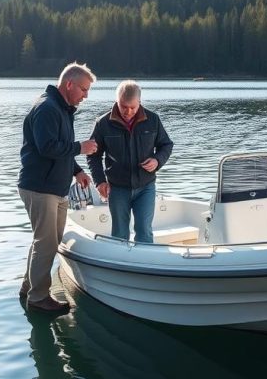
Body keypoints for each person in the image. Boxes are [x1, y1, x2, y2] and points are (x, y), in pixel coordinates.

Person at [18, 62, 98, 313]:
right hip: (41, 188)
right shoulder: (47, 108)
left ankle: (29, 287)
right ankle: (39, 298)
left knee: (46, 242)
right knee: (46, 243)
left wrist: (77, 170)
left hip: (54, 186)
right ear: (69, 84)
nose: (86, 95)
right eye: (84, 89)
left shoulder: (62, 109)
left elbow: (58, 148)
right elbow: (47, 147)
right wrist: (80, 147)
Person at [87, 80, 173, 244]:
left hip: (146, 187)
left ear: (139, 102)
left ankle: (145, 267)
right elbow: (93, 155)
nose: (128, 111)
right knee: (119, 234)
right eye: (123, 106)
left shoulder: (153, 120)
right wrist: (99, 182)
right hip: (117, 188)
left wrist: (157, 160)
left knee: (144, 231)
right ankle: (119, 266)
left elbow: (166, 145)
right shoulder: (103, 123)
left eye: (132, 107)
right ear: (117, 101)